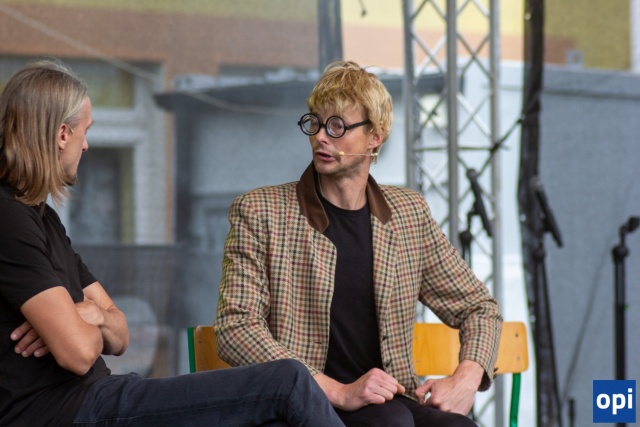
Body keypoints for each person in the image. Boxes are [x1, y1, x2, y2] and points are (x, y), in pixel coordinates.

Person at [0, 59, 346, 427]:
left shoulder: (44, 219)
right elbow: (80, 353)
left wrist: (91, 315)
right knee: (288, 381)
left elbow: (121, 334)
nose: (86, 146)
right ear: (61, 135)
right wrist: (80, 322)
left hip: (99, 399)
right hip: (72, 411)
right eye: (85, 131)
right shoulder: (9, 219)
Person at [215, 60, 503, 427]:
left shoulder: (408, 214)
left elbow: (479, 308)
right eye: (315, 123)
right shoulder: (261, 211)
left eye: (337, 126)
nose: (321, 137)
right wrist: (337, 390)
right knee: (391, 421)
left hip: (390, 402)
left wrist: (466, 378)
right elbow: (236, 327)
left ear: (375, 137)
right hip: (298, 406)